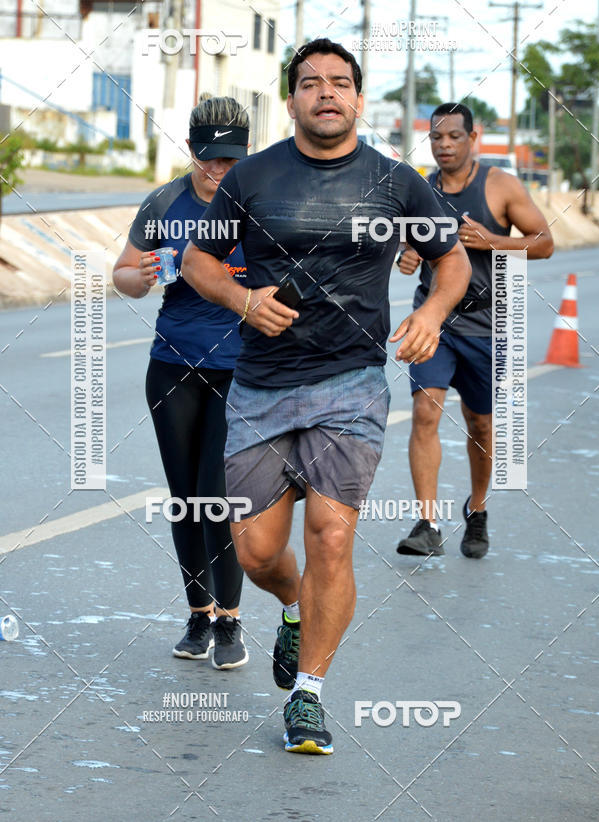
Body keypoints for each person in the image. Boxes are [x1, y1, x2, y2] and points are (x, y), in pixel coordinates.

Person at [181, 40, 471, 754]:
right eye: (311, 84)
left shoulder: (397, 180)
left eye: (340, 83)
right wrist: (244, 302)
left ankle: (307, 696)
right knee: (256, 554)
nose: (327, 93)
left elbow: (452, 257)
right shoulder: (250, 177)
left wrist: (430, 315)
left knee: (332, 538)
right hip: (260, 387)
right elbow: (197, 261)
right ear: (292, 102)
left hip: (350, 386)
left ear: (359, 99)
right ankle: (289, 608)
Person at [112, 94, 251, 670]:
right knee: (186, 498)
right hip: (173, 363)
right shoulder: (164, 201)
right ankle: (197, 614)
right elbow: (122, 272)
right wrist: (137, 277)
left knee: (218, 494)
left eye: (232, 160)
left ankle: (230, 622)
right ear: (192, 151)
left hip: (242, 367)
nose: (221, 171)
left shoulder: (258, 198)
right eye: (211, 159)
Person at [396, 102, 554, 560]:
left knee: (480, 424)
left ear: (473, 137)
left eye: (454, 137)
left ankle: (478, 511)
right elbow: (410, 245)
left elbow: (545, 242)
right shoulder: (421, 189)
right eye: (437, 138)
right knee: (426, 413)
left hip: (488, 323)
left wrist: (495, 241)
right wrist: (408, 255)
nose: (445, 145)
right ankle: (427, 523)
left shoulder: (500, 185)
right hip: (435, 318)